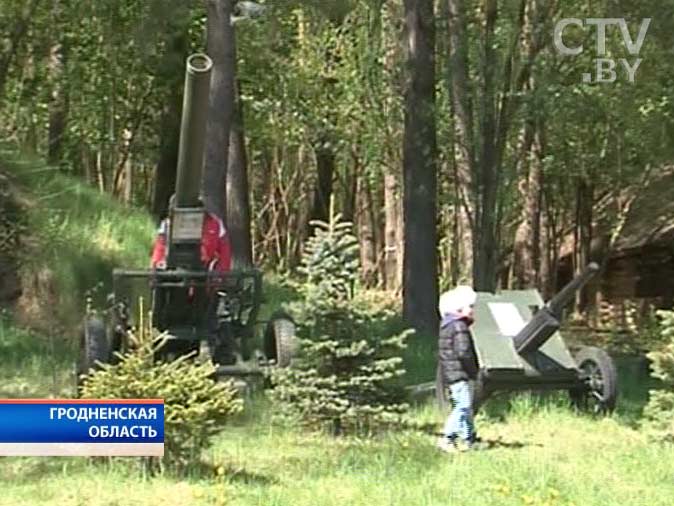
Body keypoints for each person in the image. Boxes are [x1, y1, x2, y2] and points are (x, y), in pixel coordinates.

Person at [436, 285, 479, 453]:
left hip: (451, 372)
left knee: (465, 406)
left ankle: (469, 438)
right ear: (459, 308)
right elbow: (464, 352)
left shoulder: (447, 325)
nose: (473, 310)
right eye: (470, 306)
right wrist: (473, 370)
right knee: (463, 405)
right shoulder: (459, 327)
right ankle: (448, 438)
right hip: (459, 372)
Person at [150, 202, 232, 273]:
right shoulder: (167, 224)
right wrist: (157, 265)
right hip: (172, 270)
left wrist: (219, 275)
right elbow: (159, 249)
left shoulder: (215, 224)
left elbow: (225, 254)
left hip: (206, 273)